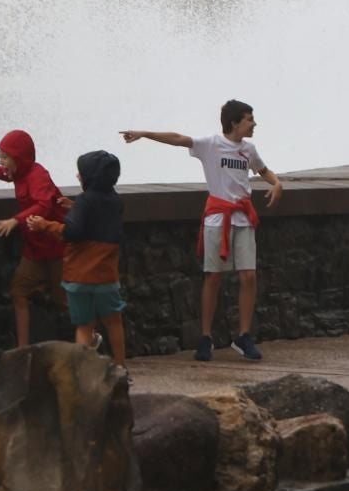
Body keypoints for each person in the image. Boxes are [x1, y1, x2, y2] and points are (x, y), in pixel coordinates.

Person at [121, 100, 283, 362]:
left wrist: (277, 183)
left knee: (249, 276)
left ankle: (243, 335)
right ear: (234, 123)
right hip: (218, 219)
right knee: (213, 277)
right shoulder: (212, 144)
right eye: (249, 119)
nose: (254, 124)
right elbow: (178, 139)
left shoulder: (249, 149)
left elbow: (264, 171)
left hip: (243, 219)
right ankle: (205, 337)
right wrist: (144, 134)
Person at [27, 150, 130, 380]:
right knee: (114, 322)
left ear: (88, 178)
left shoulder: (85, 201)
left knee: (84, 327)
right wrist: (73, 207)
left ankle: (83, 377)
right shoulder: (115, 202)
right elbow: (97, 217)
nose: (77, 175)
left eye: (80, 173)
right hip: (106, 278)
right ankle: (121, 368)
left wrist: (44, 224)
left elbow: (72, 232)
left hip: (79, 278)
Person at [0, 129, 67, 348]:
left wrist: (15, 220)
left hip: (57, 247)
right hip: (35, 249)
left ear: (19, 158)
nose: (1, 162)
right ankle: (22, 350)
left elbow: (44, 204)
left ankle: (93, 338)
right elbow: (6, 173)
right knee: (19, 291)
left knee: (64, 300)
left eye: (4, 157)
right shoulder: (18, 171)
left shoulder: (38, 175)